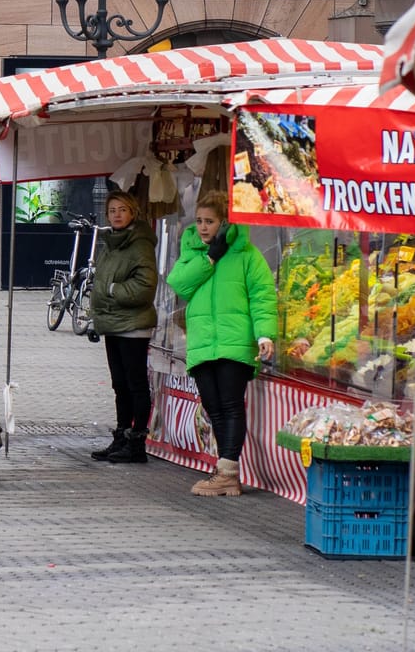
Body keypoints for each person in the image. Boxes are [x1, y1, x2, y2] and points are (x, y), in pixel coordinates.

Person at [166, 190, 277, 497]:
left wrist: (264, 334)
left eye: (210, 222)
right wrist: (210, 257)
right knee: (213, 406)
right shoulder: (193, 250)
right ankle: (225, 470)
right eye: (199, 221)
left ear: (225, 223)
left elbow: (262, 296)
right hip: (202, 343)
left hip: (234, 341)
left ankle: (228, 471)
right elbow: (179, 282)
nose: (202, 227)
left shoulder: (247, 255)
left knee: (230, 405)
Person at [87, 191, 160, 465]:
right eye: (112, 210)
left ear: (133, 213)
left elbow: (145, 286)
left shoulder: (139, 244)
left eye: (122, 210)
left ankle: (136, 442)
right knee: (120, 385)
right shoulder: (111, 244)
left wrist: (114, 289)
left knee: (135, 384)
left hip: (133, 326)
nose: (116, 214)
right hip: (113, 324)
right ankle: (121, 436)